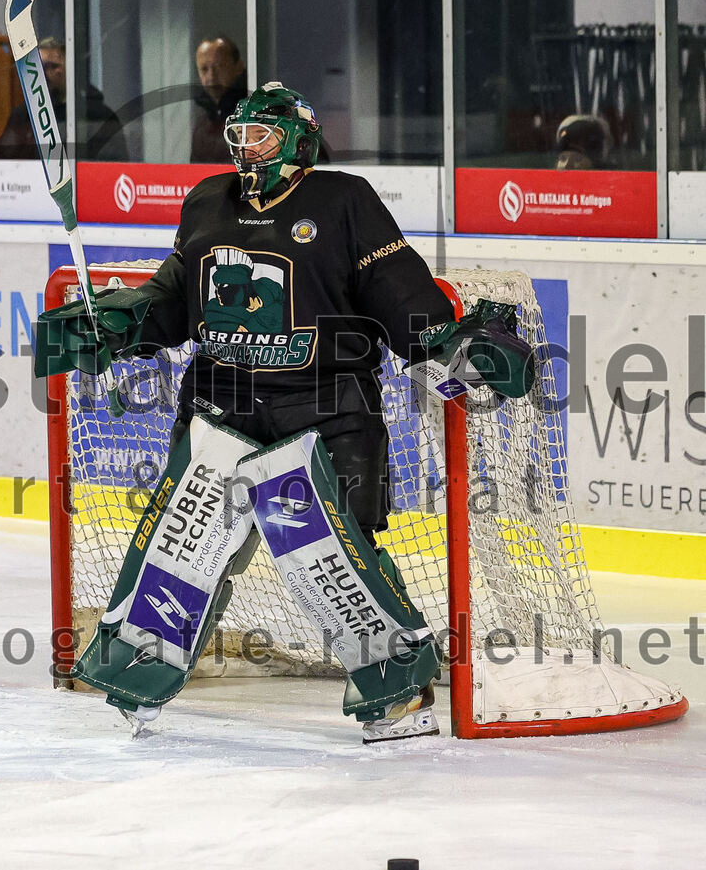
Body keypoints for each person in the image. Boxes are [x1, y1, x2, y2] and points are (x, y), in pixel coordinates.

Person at [36, 82, 533, 742]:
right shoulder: (207, 200)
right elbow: (177, 296)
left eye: (261, 136)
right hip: (220, 402)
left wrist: (449, 341)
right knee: (181, 546)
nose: (246, 149)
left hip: (325, 408)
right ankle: (142, 675)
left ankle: (397, 690)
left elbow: (398, 294)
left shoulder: (343, 200)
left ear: (298, 139)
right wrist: (122, 323)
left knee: (332, 558)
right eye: (238, 136)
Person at [0, 37, 126, 161]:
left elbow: (113, 166)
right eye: (37, 68)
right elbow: (2, 162)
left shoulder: (97, 115)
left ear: (70, 69)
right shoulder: (24, 115)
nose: (43, 74)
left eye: (52, 66)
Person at [190, 35, 247, 163]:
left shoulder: (253, 116)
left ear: (238, 66)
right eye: (204, 69)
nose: (211, 76)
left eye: (219, 66)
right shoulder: (200, 123)